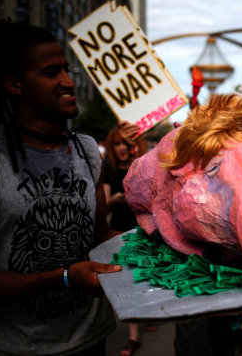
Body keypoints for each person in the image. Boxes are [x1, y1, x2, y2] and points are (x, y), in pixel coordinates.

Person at [0, 21, 122, 355]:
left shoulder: (87, 149)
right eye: (52, 72)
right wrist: (64, 277)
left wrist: (163, 237)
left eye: (66, 69)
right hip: (19, 347)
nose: (68, 82)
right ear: (14, 85)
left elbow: (98, 238)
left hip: (90, 338)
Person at [102, 122, 150, 356]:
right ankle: (134, 336)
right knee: (128, 281)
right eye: (117, 143)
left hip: (142, 230)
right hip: (119, 230)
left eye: (126, 143)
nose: (121, 148)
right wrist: (115, 200)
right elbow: (104, 203)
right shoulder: (109, 169)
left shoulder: (140, 167)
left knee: (145, 277)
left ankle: (148, 313)